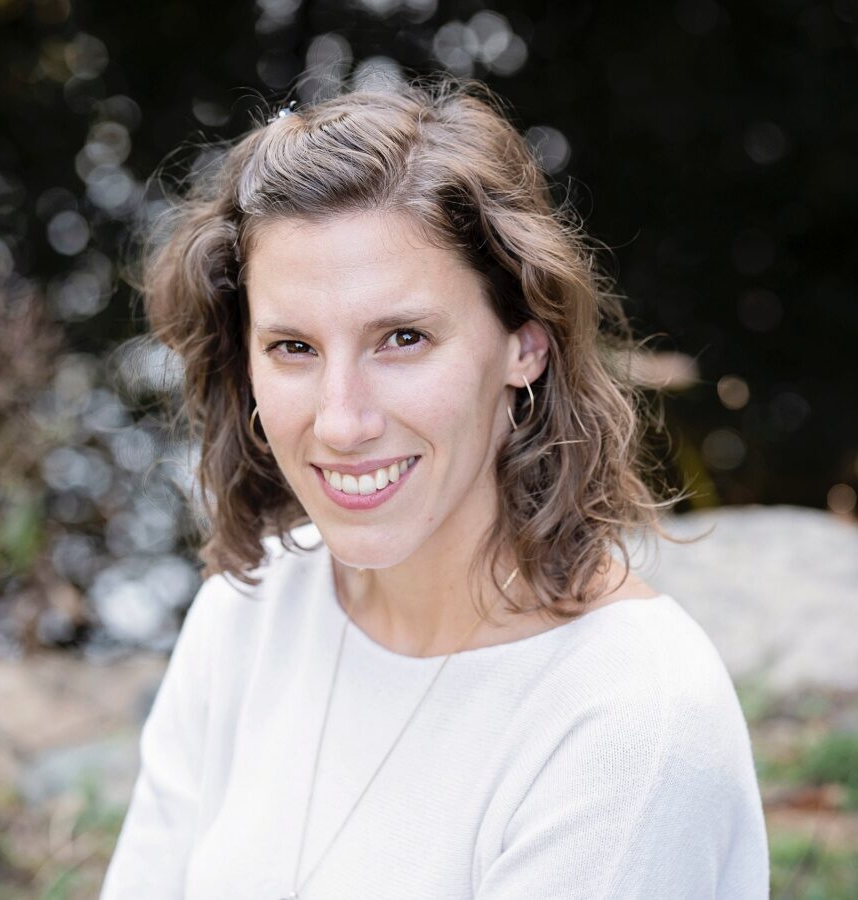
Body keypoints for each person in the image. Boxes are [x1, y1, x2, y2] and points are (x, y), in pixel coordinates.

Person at [101, 75, 769, 899]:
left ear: (526, 345)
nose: (342, 422)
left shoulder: (628, 723)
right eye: (293, 348)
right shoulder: (248, 612)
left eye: (403, 338)